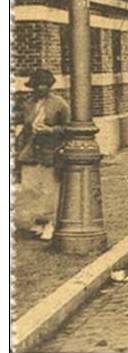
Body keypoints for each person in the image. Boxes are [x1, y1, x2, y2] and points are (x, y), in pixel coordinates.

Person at [14, 69, 71, 240]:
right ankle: (38, 220)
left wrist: (50, 130)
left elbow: (69, 128)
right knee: (31, 188)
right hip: (30, 151)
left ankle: (49, 223)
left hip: (50, 152)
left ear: (49, 86)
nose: (40, 88)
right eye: (37, 85)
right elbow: (23, 125)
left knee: (49, 190)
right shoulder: (29, 103)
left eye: (44, 85)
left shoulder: (59, 104)